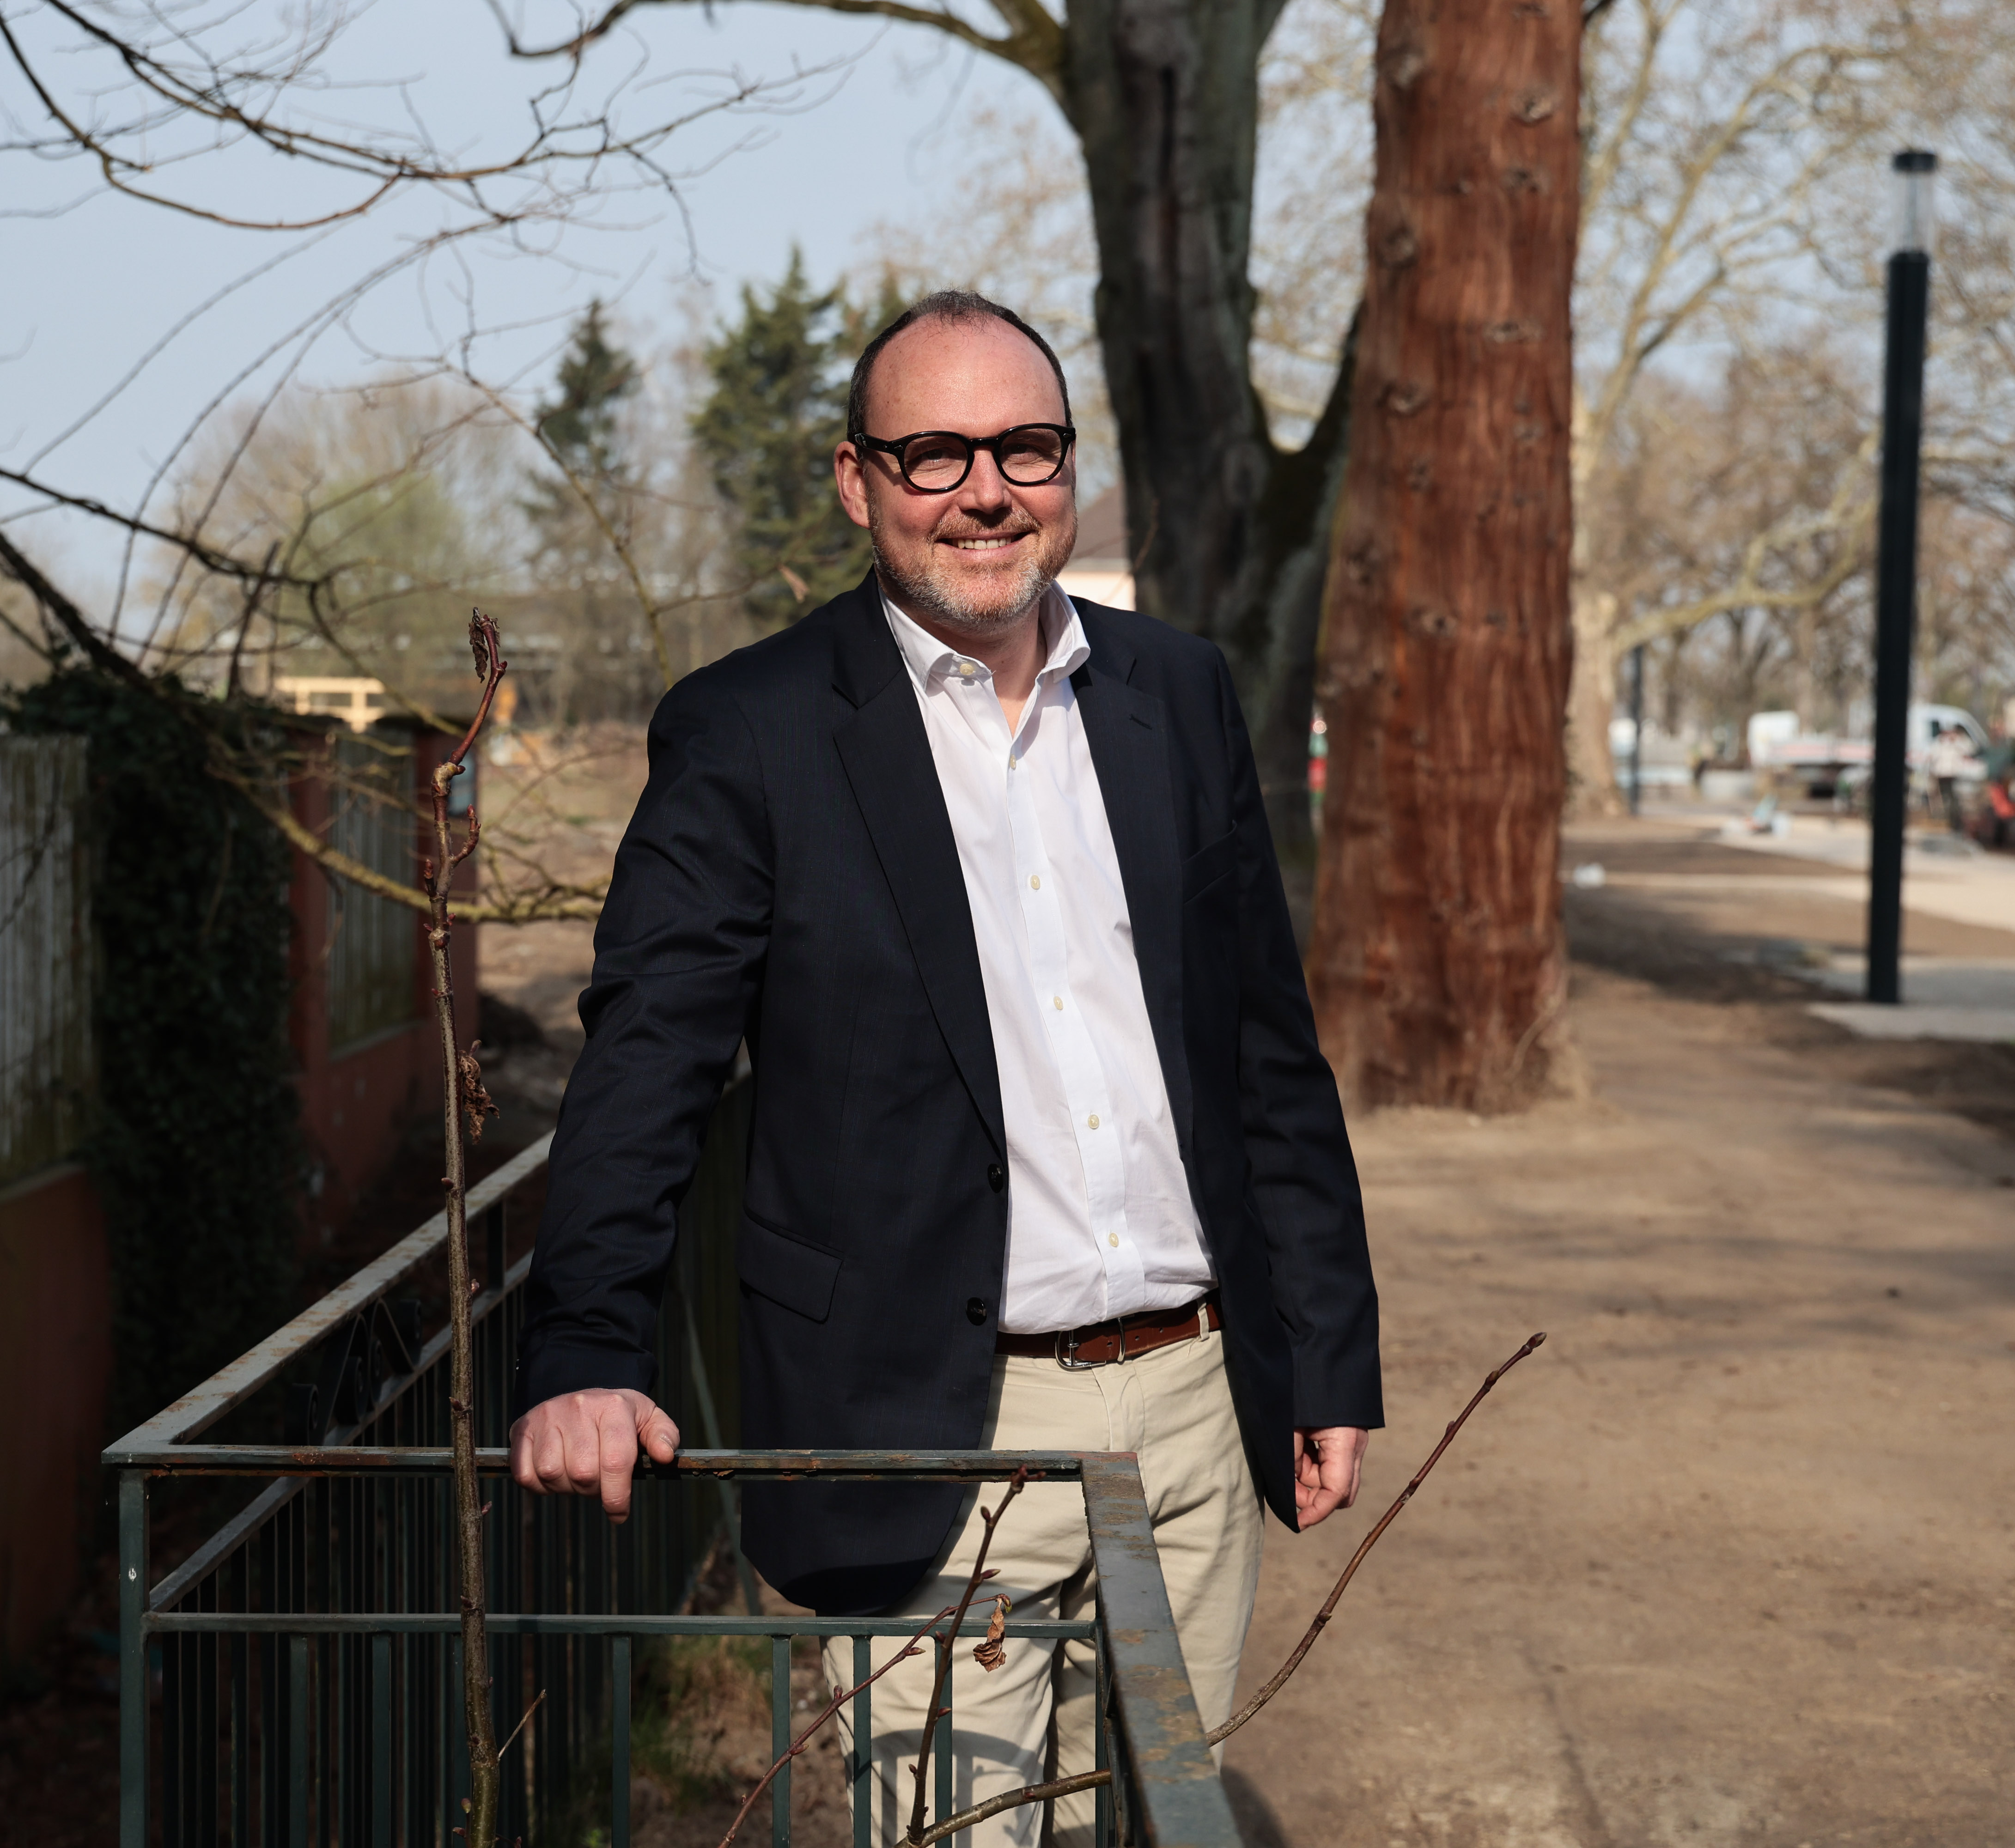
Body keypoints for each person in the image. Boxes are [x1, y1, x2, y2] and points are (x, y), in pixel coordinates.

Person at [507, 291, 1381, 1845]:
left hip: (1190, 1403)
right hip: (930, 1428)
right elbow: (650, 1058)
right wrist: (588, 1347)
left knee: (1160, 1823)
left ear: (1066, 463)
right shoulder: (751, 730)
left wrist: (1323, 1354)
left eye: (1026, 447)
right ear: (859, 482)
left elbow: (1264, 1052)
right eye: (935, 453)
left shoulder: (1178, 693)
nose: (987, 489)